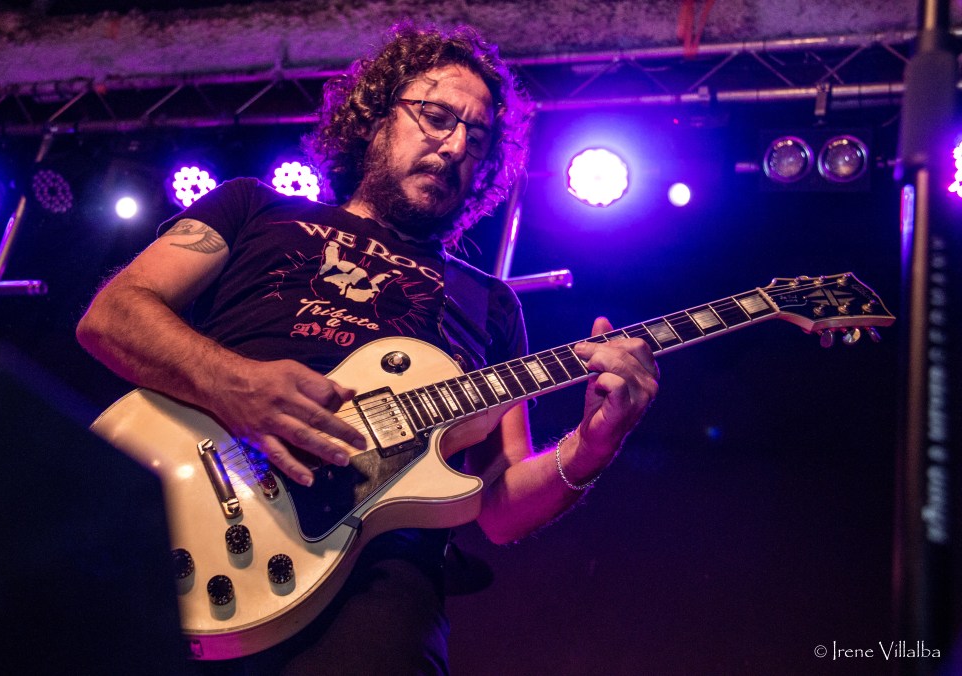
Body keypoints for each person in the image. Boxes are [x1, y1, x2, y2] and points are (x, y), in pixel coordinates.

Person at [76, 20, 659, 676]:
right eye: (436, 117)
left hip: (377, 578)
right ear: (375, 115)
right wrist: (235, 383)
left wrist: (593, 445)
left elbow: (498, 507)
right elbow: (114, 315)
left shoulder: (490, 302)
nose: (455, 146)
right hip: (190, 498)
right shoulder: (254, 209)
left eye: (477, 138)